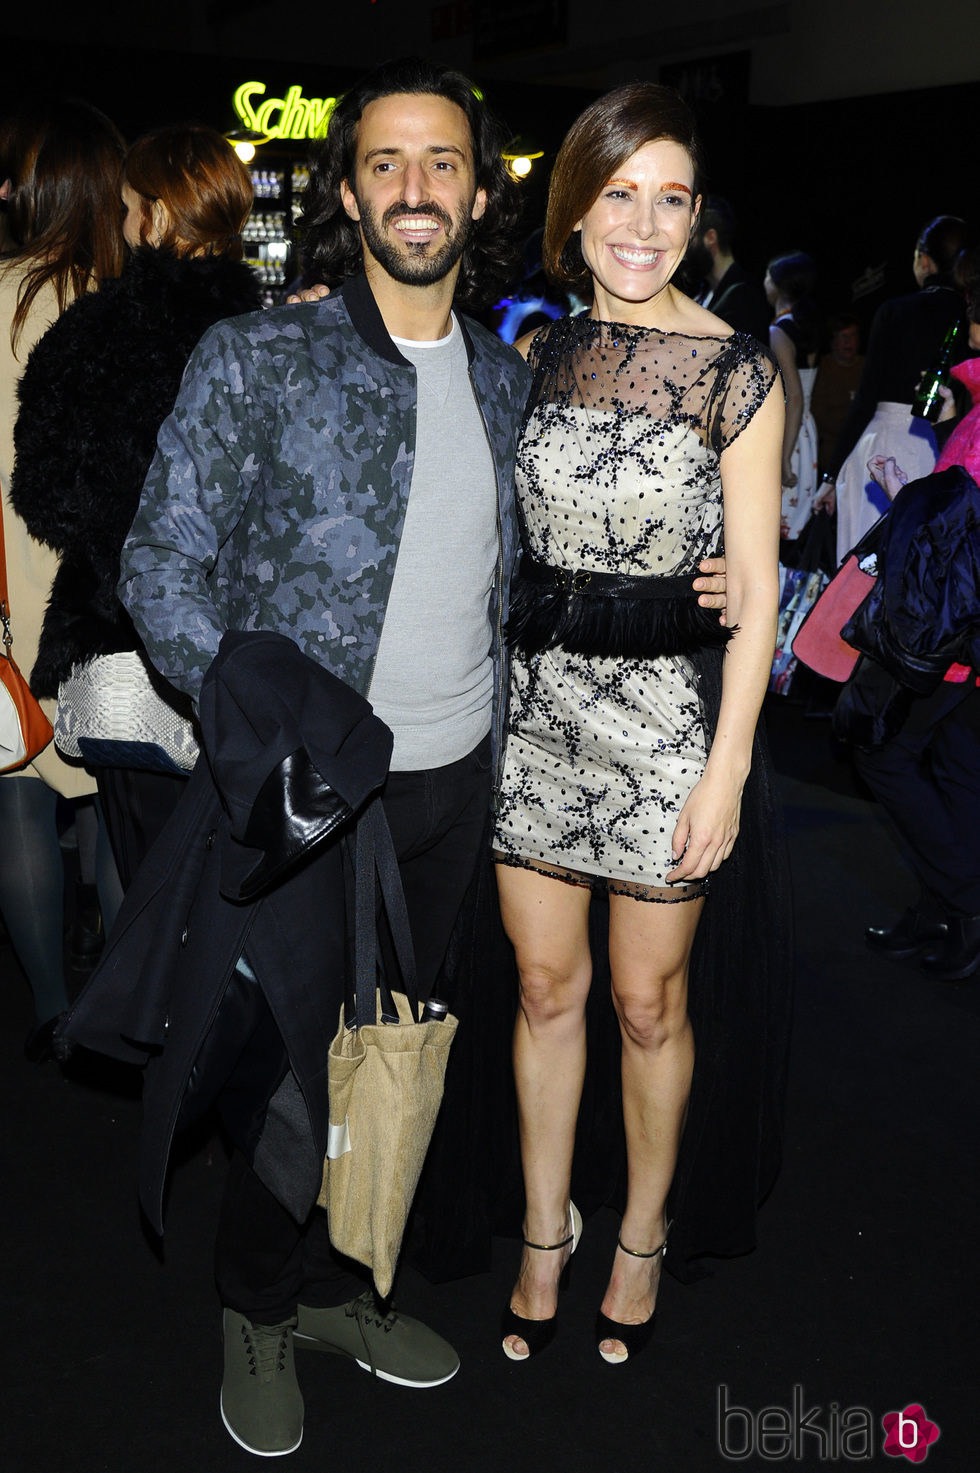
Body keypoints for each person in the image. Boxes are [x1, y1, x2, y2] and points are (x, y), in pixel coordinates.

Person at [491, 83, 784, 1364]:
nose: (644, 224)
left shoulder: (736, 374)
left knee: (643, 1005)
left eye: (670, 199)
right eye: (619, 193)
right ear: (575, 208)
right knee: (544, 990)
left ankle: (641, 1235)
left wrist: (724, 776)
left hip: (669, 722)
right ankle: (542, 1230)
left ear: (696, 218)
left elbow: (761, 591)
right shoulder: (533, 355)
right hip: (536, 711)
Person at [9, 123, 261, 891]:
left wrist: (118, 527)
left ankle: (133, 1012)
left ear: (154, 214)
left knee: (135, 854)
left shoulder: (93, 333)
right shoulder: (278, 335)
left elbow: (42, 492)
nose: (120, 223)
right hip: (253, 653)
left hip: (121, 633)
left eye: (127, 207)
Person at [0, 100, 125, 1060]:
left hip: (10, 592)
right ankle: (122, 1008)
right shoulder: (123, 302)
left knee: (20, 805)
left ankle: (51, 1008)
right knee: (117, 804)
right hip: (103, 591)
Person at [851, 243, 980, 981]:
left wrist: (903, 495)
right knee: (956, 764)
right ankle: (946, 906)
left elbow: (960, 541)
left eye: (969, 301)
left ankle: (964, 899)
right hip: (959, 632)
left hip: (954, 631)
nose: (961, 316)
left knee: (884, 748)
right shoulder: (972, 404)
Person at [817, 215, 969, 564]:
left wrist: (830, 474)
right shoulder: (968, 316)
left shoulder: (895, 311)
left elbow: (866, 398)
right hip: (948, 448)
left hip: (885, 447)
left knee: (865, 571)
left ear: (925, 260)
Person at [765, 251, 820, 541]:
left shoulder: (780, 330)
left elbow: (793, 397)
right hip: (806, 431)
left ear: (777, 285)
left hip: (790, 432)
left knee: (779, 527)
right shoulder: (804, 325)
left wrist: (784, 459)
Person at [686, 195, 771, 345]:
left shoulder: (745, 297)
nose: (684, 249)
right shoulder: (704, 291)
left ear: (710, 237)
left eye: (691, 238)